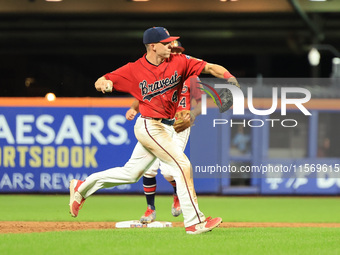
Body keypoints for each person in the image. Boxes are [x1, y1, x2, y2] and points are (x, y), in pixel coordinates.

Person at [69, 27, 239, 234]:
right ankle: (195, 222)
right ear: (152, 46)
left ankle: (81, 187)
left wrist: (229, 77)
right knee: (182, 165)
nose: (170, 46)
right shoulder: (133, 70)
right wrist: (103, 84)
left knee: (130, 174)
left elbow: (211, 68)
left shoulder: (180, 61)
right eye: (166, 43)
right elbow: (101, 81)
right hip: (150, 125)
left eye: (170, 42)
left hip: (167, 126)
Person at [125, 40, 203, 223]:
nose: (172, 52)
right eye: (171, 48)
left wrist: (192, 115)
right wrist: (134, 109)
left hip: (179, 125)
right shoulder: (157, 73)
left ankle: (177, 195)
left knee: (169, 170)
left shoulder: (192, 76)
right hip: (159, 123)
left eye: (176, 50)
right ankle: (149, 209)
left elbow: (199, 104)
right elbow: (144, 95)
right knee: (148, 168)